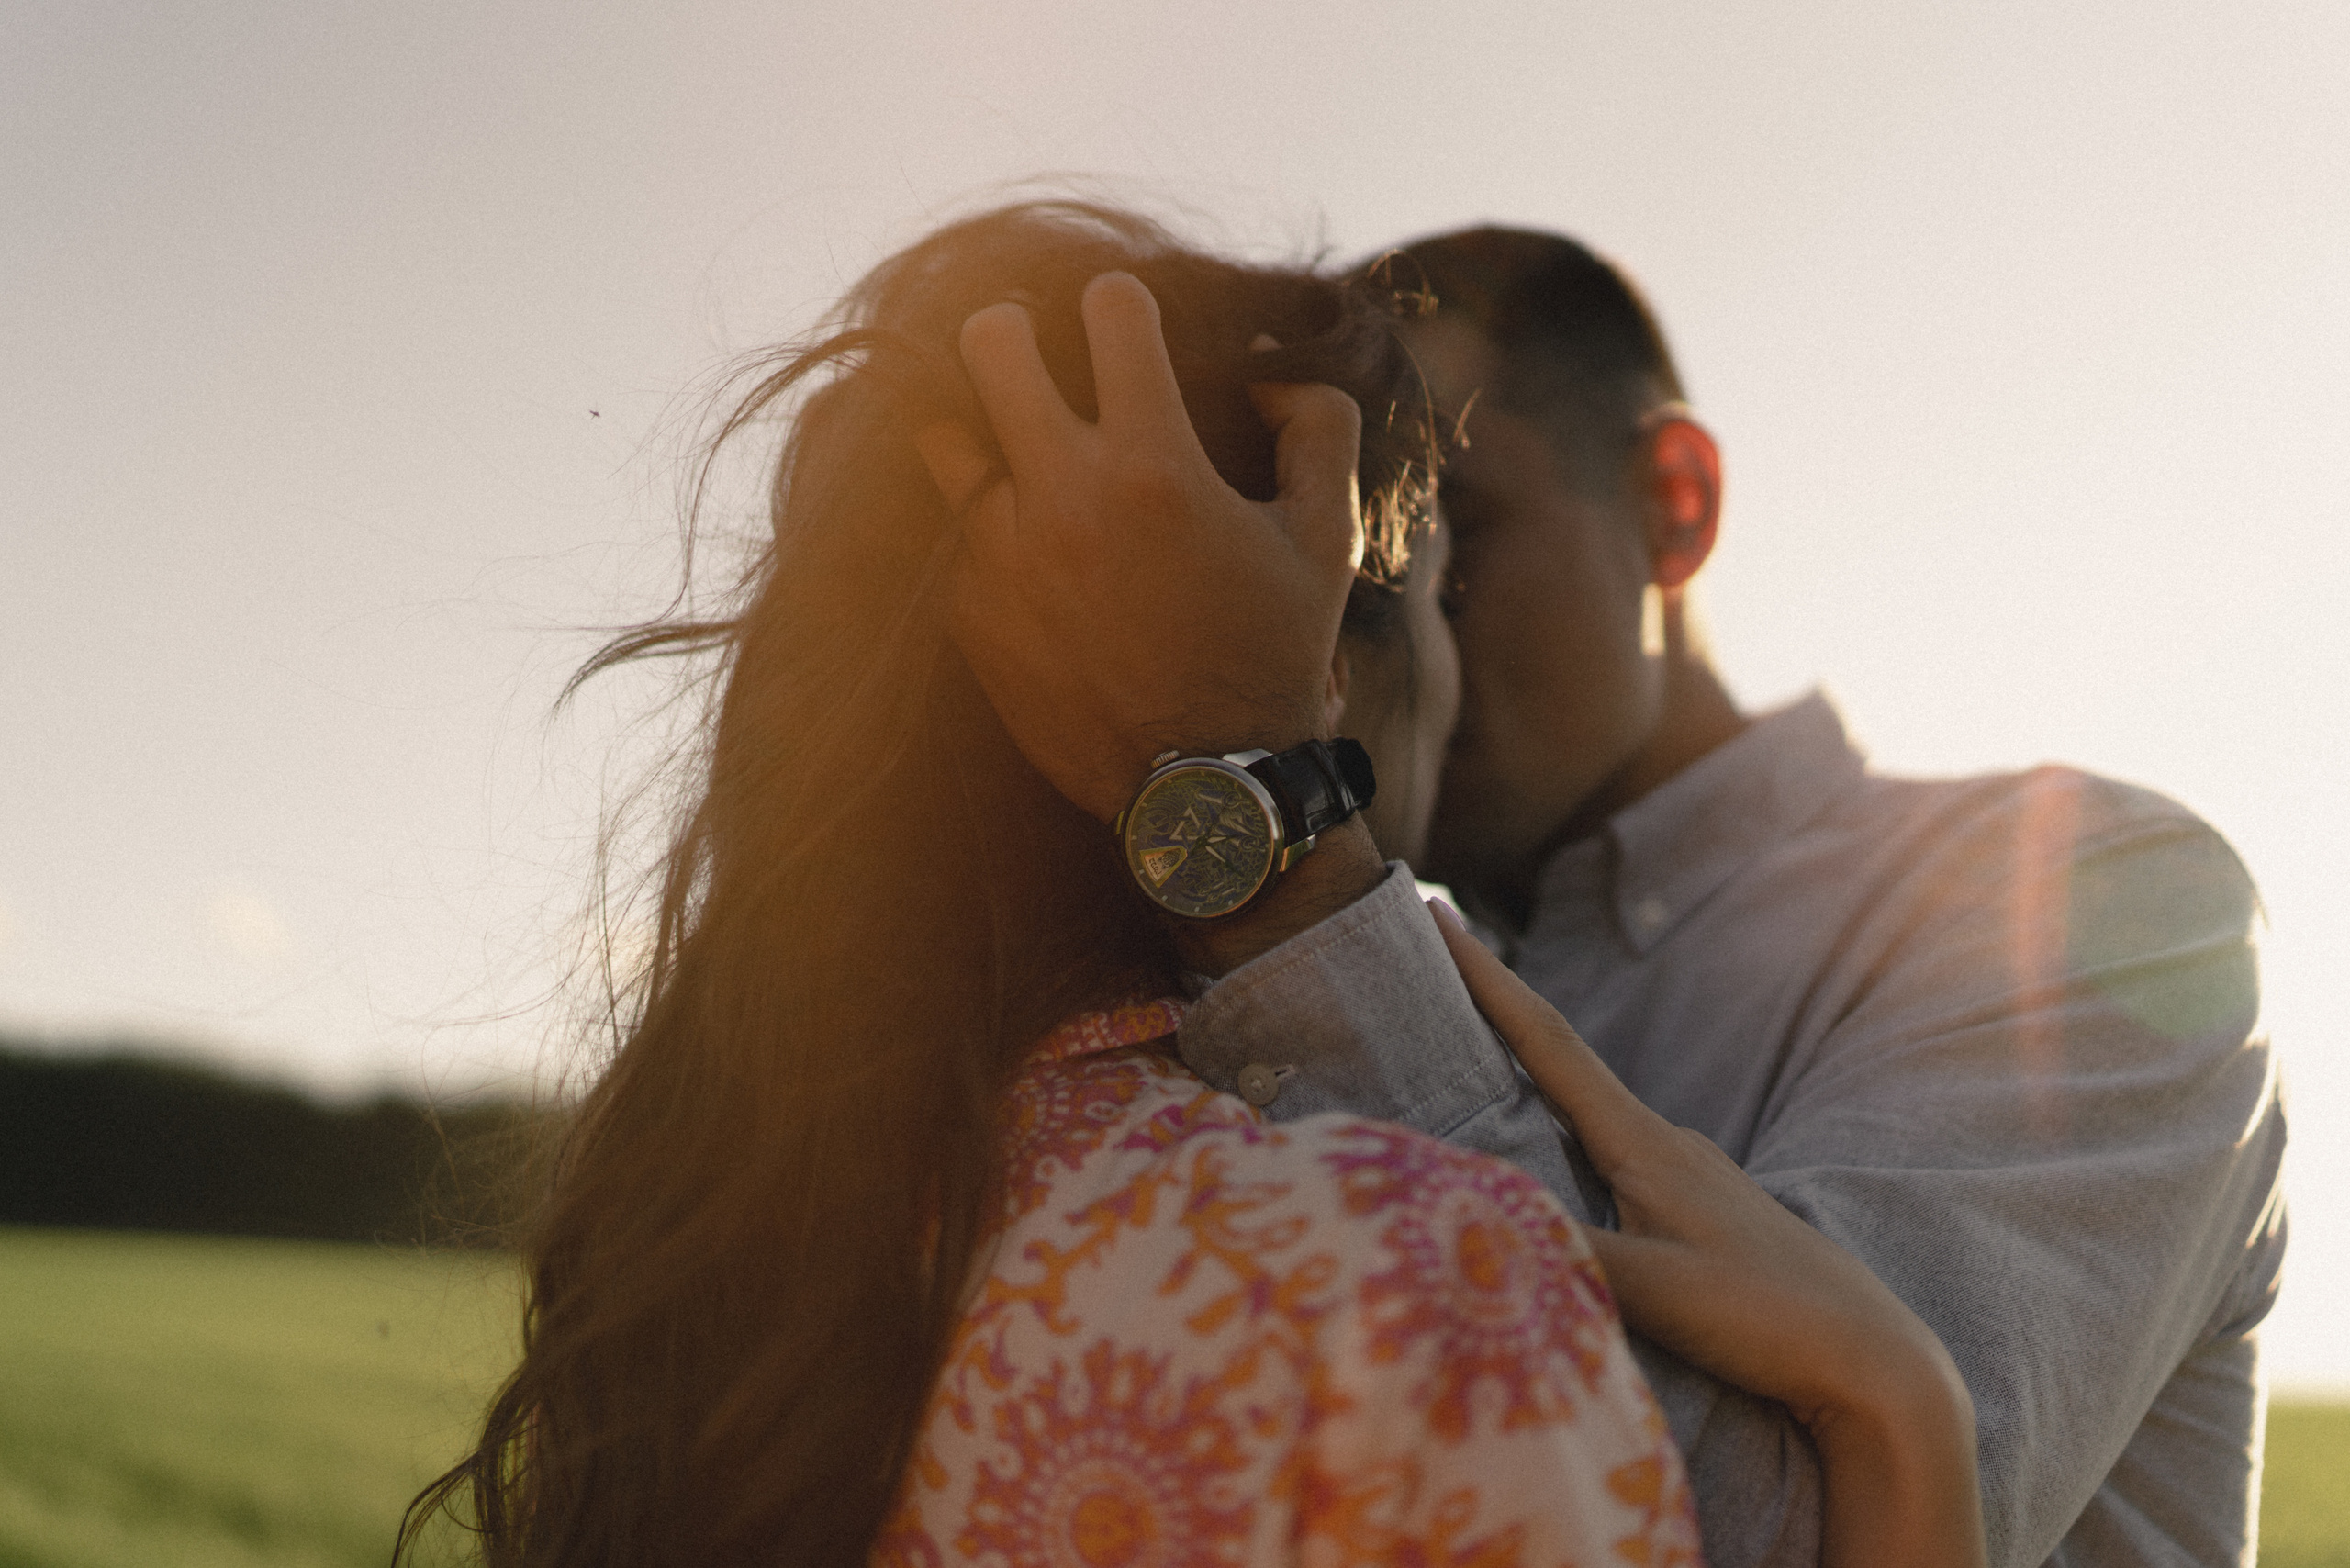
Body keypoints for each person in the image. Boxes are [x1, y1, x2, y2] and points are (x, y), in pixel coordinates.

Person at [402, 201, 1993, 1568]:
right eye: (1443, 576)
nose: (1469, 650)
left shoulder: (732, 1220)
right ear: (1319, 658)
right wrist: (1908, 1433)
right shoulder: (1412, 1282)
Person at [946, 222, 2286, 1568]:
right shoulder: (1216, 1016)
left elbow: (1785, 1535)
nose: (1325, 639)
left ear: (1673, 502)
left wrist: (1262, 818)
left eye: (1435, 539)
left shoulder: (2089, 900)